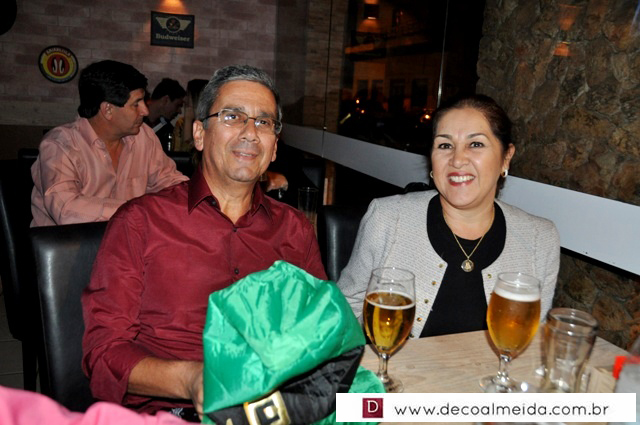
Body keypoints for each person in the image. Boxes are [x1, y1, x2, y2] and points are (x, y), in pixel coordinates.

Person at [81, 65, 327, 421]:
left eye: (263, 122)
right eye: (232, 117)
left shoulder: (295, 230)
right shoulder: (140, 222)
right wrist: (191, 379)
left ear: (275, 147)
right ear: (199, 134)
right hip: (173, 411)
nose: (250, 133)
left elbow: (319, 334)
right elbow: (104, 353)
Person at [338, 94, 560, 338]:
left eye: (476, 144)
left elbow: (533, 337)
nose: (457, 159)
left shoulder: (540, 239)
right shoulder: (387, 219)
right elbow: (343, 311)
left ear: (506, 157)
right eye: (445, 145)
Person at [30, 60, 188, 227]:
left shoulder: (143, 136)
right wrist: (139, 210)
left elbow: (170, 181)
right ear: (108, 110)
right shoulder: (60, 145)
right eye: (136, 104)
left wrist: (195, 197)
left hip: (126, 238)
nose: (145, 111)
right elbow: (66, 209)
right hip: (68, 241)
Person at [145, 78, 186, 151]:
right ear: (165, 100)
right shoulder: (135, 120)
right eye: (177, 105)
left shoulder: (168, 130)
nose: (179, 111)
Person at [172, 79, 208, 152]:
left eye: (188, 95)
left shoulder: (210, 124)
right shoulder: (181, 123)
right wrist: (187, 121)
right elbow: (179, 154)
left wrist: (188, 120)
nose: (185, 99)